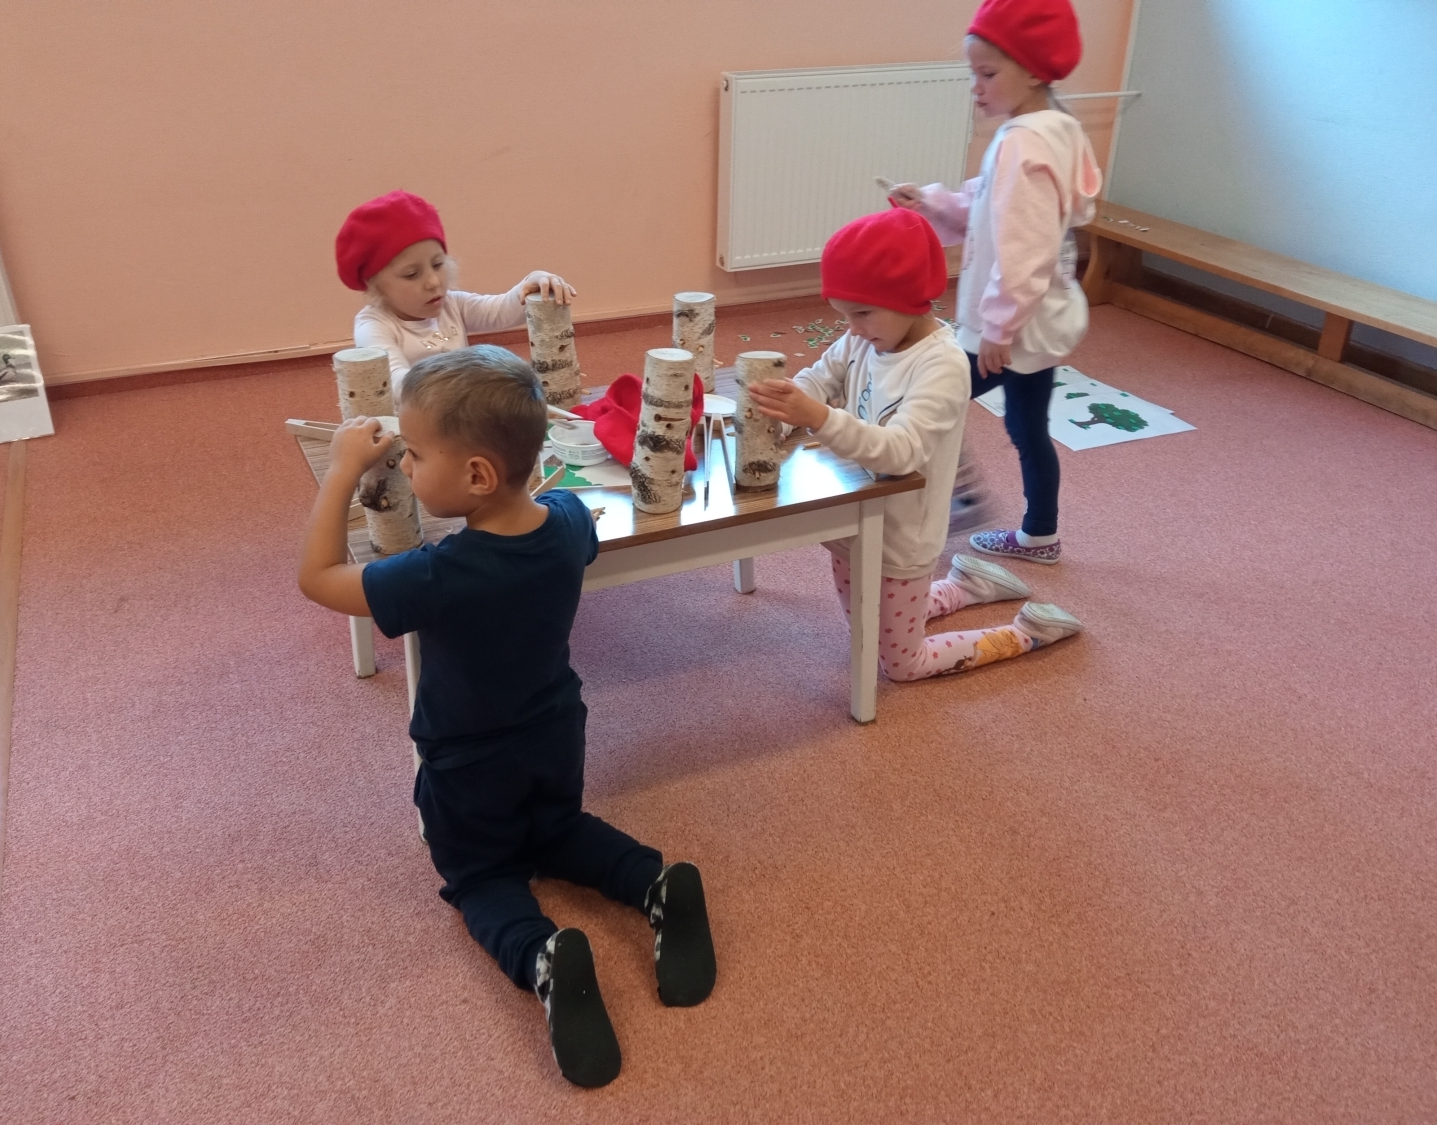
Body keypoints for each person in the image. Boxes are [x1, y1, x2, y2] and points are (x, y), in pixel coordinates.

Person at [296, 345, 715, 1087]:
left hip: (467, 763)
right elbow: (579, 528)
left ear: (477, 477)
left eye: (414, 453)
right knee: (559, 831)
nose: (405, 464)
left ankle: (540, 952)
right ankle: (654, 881)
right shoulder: (566, 521)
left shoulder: (434, 575)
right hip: (556, 732)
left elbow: (319, 577)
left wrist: (341, 472)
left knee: (482, 875)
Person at [748, 208, 1083, 682]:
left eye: (861, 313)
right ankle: (966, 585)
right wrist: (786, 410)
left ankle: (1027, 632)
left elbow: (901, 452)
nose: (852, 327)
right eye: (845, 315)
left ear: (907, 298)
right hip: (855, 518)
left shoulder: (942, 365)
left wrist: (817, 417)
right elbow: (820, 378)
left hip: (903, 537)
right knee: (866, 627)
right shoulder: (864, 337)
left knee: (902, 666)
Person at [890, 0, 1102, 565]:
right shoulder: (1053, 130)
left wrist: (999, 328)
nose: (975, 88)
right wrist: (930, 202)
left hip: (1009, 328)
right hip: (1040, 320)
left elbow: (1025, 249)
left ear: (1032, 72)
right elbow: (988, 210)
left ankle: (952, 505)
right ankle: (1039, 535)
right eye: (973, 74)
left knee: (924, 399)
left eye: (987, 74)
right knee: (1027, 426)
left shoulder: (1021, 144)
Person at [335, 190, 576, 398]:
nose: (433, 282)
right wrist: (473, 384)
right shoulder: (374, 325)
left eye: (438, 264)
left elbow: (500, 311)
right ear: (376, 287)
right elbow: (395, 381)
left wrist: (531, 283)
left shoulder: (451, 304)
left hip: (460, 414)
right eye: (412, 274)